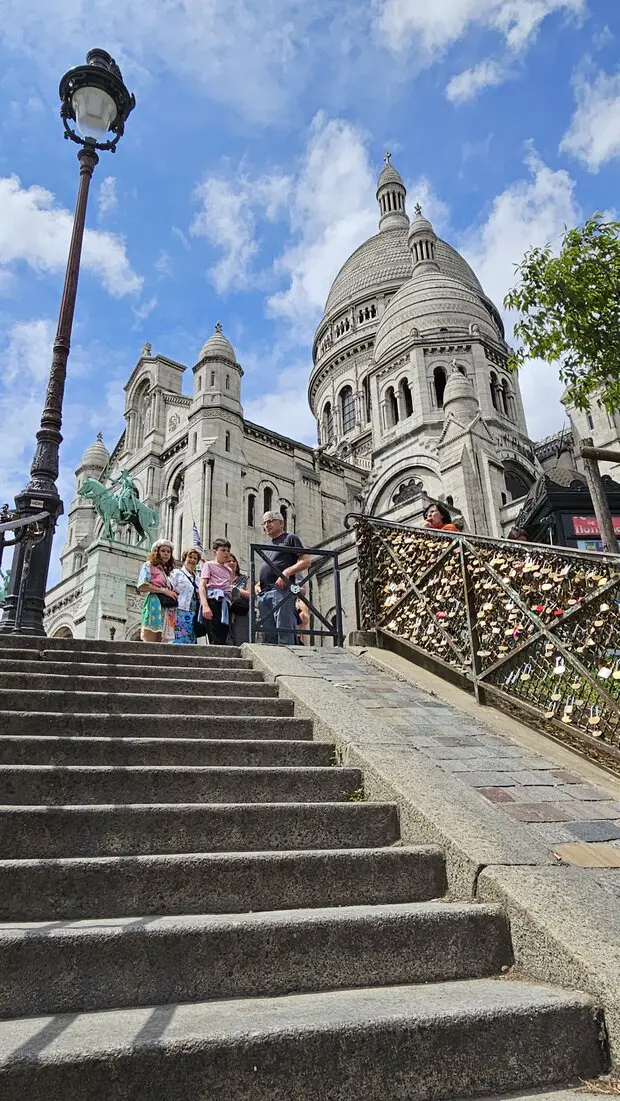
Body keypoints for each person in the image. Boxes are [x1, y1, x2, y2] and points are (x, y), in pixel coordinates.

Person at [255, 511, 311, 645]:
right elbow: (267, 568)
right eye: (264, 523)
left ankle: (288, 659)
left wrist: (287, 572)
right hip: (264, 592)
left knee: (284, 627)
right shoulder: (267, 545)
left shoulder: (290, 538)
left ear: (281, 523)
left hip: (280, 590)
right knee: (268, 632)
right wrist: (258, 584)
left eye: (270, 521)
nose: (266, 525)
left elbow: (306, 561)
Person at [137, 539, 178, 643]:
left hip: (167, 607)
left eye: (168, 552)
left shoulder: (165, 571)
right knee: (151, 637)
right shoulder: (149, 565)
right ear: (157, 552)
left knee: (163, 640)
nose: (166, 554)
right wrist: (163, 591)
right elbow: (142, 585)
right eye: (163, 551)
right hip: (154, 603)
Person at [199, 538, 233, 645]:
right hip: (213, 601)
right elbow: (202, 586)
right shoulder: (208, 565)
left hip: (225, 603)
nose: (226, 553)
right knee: (213, 634)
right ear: (215, 552)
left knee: (223, 634)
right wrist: (205, 605)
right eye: (223, 550)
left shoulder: (229, 570)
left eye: (228, 551)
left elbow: (229, 589)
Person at [169, 548, 201, 645]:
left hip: (194, 612)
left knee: (191, 638)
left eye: (195, 558)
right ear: (184, 558)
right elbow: (169, 588)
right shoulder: (176, 573)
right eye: (190, 557)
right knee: (178, 637)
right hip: (180, 610)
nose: (192, 560)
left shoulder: (198, 579)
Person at [227, 554, 250, 647]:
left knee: (241, 641)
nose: (232, 563)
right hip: (225, 613)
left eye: (234, 561)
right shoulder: (220, 578)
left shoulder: (244, 578)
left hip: (241, 614)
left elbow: (250, 595)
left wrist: (234, 589)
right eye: (229, 561)